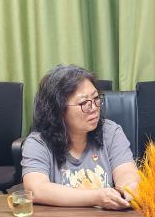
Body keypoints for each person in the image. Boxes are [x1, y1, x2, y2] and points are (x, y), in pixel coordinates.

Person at [22, 64, 139, 209]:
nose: (94, 108)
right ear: (58, 110)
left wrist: (130, 187)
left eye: (96, 98)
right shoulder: (38, 142)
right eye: (84, 103)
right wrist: (96, 198)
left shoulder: (111, 132)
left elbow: (126, 172)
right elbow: (36, 189)